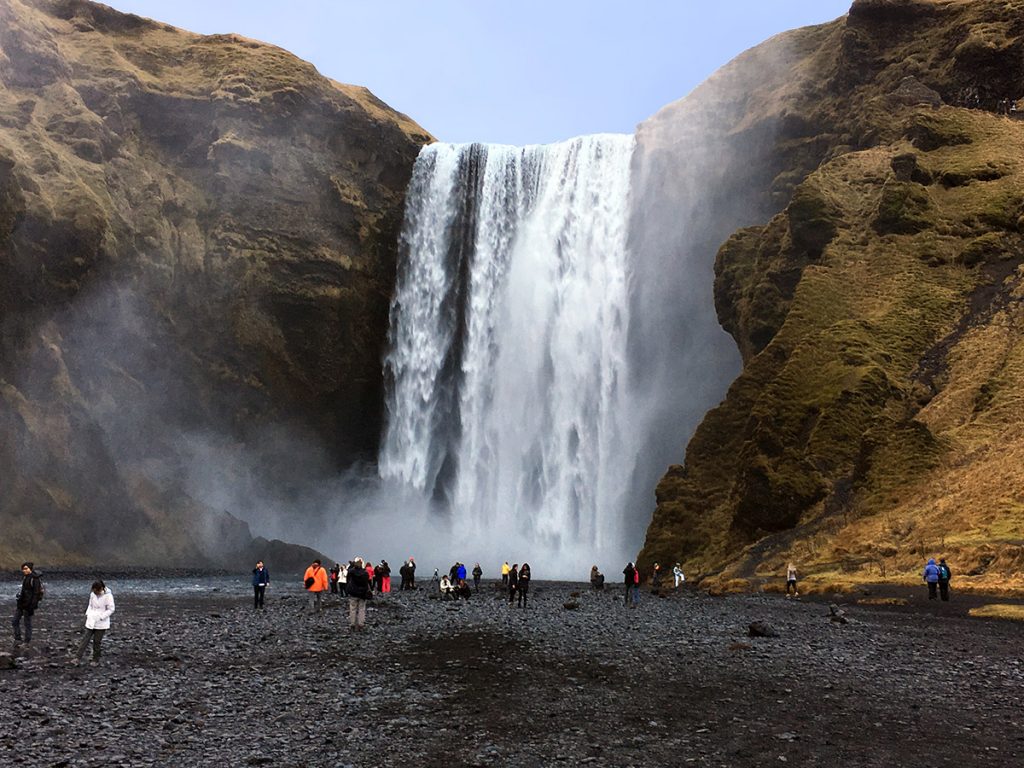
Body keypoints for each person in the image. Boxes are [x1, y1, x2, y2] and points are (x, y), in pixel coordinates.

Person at [71, 581, 114, 666]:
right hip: (91, 620)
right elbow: (90, 605)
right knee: (85, 640)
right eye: (93, 591)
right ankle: (77, 658)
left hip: (101, 623)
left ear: (101, 589)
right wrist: (88, 614)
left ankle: (95, 659)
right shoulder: (92, 594)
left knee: (97, 642)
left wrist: (101, 617)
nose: (95, 593)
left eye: (96, 591)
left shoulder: (108, 596)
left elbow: (111, 609)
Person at [12, 562, 42, 643]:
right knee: (14, 621)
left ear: (30, 569)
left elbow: (36, 594)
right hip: (21, 604)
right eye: (23, 569)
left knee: (27, 624)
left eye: (26, 568)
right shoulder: (25, 578)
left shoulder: (35, 579)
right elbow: (24, 591)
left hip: (28, 606)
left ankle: (27, 641)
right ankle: (18, 638)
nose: (24, 570)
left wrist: (32, 606)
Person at [346, 558, 370, 630]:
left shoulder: (351, 572)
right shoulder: (365, 573)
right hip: (362, 593)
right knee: (361, 609)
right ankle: (361, 624)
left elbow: (348, 580)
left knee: (352, 608)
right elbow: (367, 583)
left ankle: (352, 623)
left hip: (353, 592)